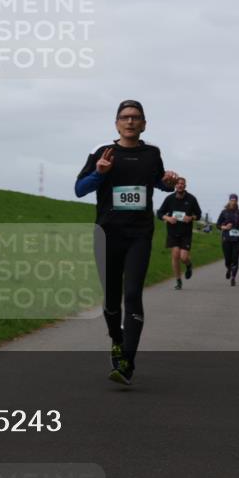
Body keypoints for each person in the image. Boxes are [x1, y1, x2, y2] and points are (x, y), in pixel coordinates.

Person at [75, 100, 179, 386]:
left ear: (144, 123)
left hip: (139, 235)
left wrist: (169, 181)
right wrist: (100, 172)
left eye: (136, 117)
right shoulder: (102, 153)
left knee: (133, 294)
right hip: (107, 234)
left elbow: (157, 182)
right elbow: (79, 190)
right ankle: (117, 341)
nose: (130, 122)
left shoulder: (152, 154)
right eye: (125, 117)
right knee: (110, 298)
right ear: (116, 123)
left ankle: (127, 363)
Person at [155, 177, 202, 290]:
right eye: (178, 183)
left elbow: (198, 214)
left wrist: (190, 218)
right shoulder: (169, 198)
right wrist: (168, 218)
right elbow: (159, 213)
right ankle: (178, 280)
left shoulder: (191, 199)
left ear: (185, 186)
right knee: (175, 255)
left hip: (186, 233)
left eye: (182, 184)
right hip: (173, 232)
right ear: (175, 185)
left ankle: (188, 265)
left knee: (183, 257)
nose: (180, 185)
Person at [216, 194, 239, 287]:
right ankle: (229, 269)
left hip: (237, 239)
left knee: (235, 259)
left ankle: (233, 278)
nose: (233, 202)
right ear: (229, 201)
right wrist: (225, 227)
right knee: (228, 259)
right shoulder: (224, 212)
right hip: (226, 238)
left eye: (235, 200)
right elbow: (218, 225)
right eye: (231, 200)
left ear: (237, 201)